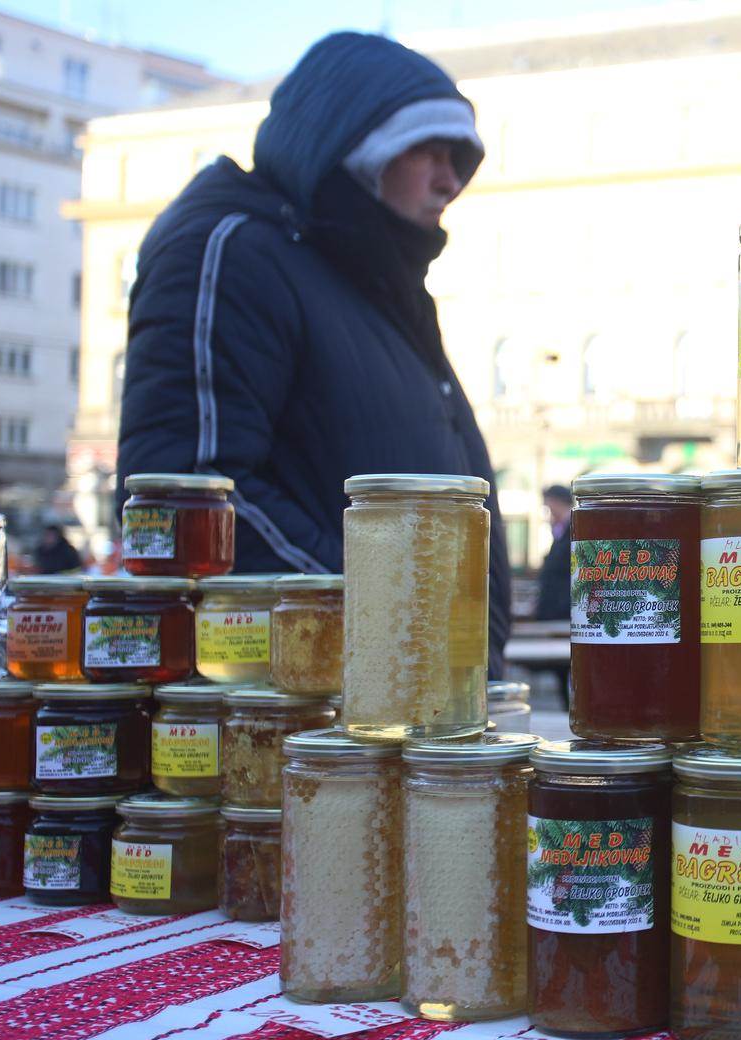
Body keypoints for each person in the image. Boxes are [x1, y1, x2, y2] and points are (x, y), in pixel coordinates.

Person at [115, 33, 511, 674]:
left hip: (410, 702)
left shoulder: (372, 281)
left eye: (459, 159)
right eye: (427, 149)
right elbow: (190, 493)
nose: (449, 181)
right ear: (351, 145)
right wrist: (390, 630)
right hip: (311, 718)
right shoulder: (231, 251)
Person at [535, 485, 573, 621]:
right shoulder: (561, 529)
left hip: (562, 609)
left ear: (557, 502)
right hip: (556, 607)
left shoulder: (573, 528)